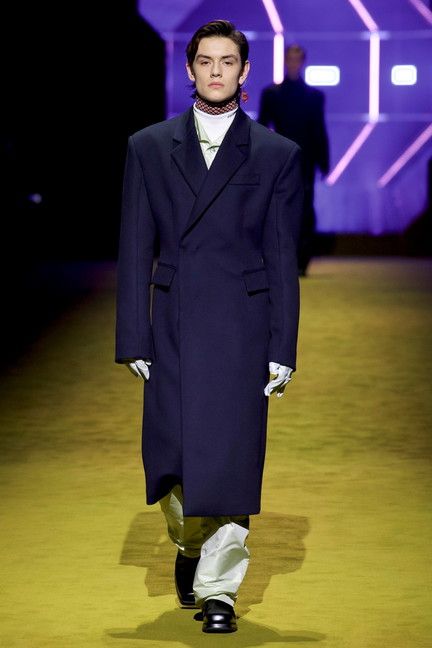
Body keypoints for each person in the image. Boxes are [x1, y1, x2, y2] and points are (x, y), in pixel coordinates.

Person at [115, 20, 303, 634]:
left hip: (241, 328)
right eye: (205, 60)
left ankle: (219, 589)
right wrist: (133, 335)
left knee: (230, 456)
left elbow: (282, 257)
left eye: (228, 61)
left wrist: (282, 346)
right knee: (170, 460)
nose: (216, 71)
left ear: (244, 72)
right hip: (172, 323)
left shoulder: (275, 154)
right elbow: (135, 248)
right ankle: (190, 543)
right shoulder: (149, 146)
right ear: (190, 68)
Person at [258, 44, 329, 276]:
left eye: (297, 59)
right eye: (290, 58)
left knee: (305, 209)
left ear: (303, 62)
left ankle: (301, 260)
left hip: (305, 161)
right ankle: (280, 259)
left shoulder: (314, 97)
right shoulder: (271, 94)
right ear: (285, 61)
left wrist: (324, 161)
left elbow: (319, 130)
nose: (293, 63)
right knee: (278, 209)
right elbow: (261, 128)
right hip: (279, 160)